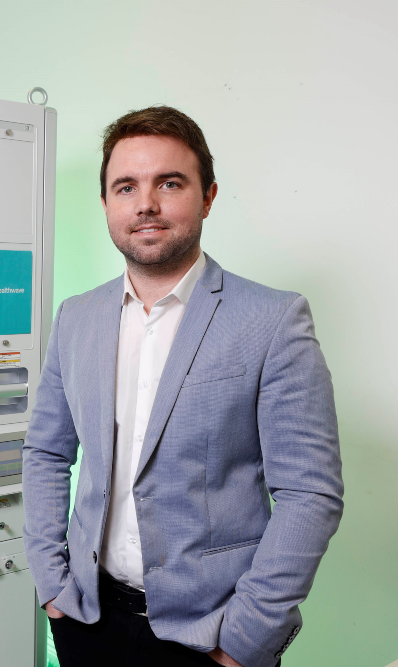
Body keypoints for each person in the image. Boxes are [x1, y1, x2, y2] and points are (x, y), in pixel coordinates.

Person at [22, 106, 343, 667]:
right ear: (106, 204)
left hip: (212, 636)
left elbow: (310, 494)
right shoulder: (75, 316)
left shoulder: (273, 320)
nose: (145, 203)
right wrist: (52, 586)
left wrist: (246, 639)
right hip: (86, 622)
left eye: (169, 183)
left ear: (208, 196)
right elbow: (48, 451)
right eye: (126, 187)